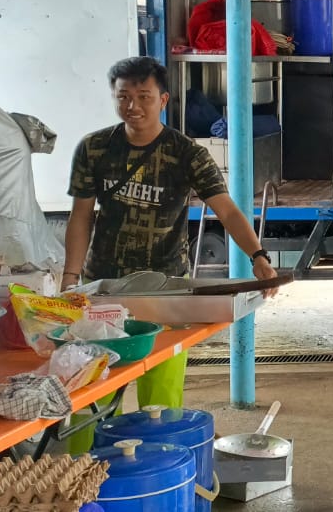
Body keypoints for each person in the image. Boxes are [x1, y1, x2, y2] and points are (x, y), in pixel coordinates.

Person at [63, 57, 278, 447]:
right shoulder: (94, 148)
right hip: (103, 288)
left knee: (160, 398)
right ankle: (81, 483)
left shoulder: (186, 153)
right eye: (123, 96)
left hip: (167, 290)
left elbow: (226, 208)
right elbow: (81, 217)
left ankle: (156, 473)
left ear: (163, 99)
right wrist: (70, 280)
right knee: (89, 390)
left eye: (143, 96)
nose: (133, 105)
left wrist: (258, 256)